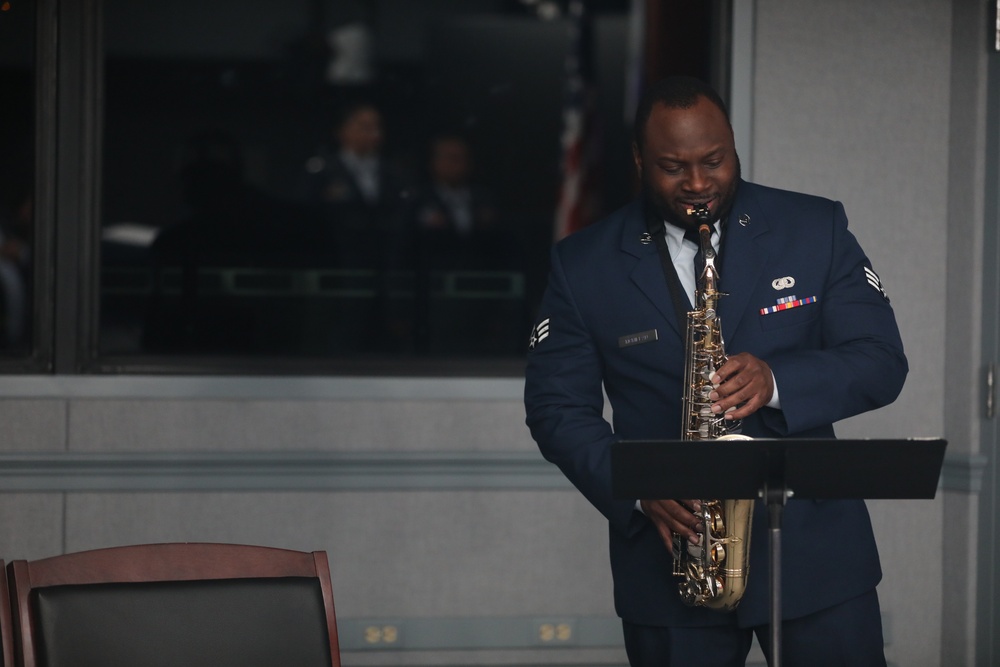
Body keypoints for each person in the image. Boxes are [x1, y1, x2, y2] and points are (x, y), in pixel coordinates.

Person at [523, 76, 907, 667]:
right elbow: (555, 409)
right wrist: (636, 489)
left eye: (714, 161)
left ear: (733, 144)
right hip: (672, 564)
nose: (698, 183)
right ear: (638, 160)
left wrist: (778, 381)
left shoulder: (815, 228)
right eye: (673, 167)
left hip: (815, 560)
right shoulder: (583, 264)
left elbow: (881, 362)